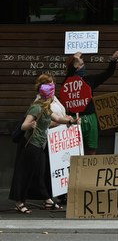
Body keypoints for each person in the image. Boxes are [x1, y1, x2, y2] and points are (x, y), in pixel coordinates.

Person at [9, 77, 77, 213]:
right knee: (25, 174)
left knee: (40, 173)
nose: (53, 97)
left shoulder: (46, 108)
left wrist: (72, 121)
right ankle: (19, 202)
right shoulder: (36, 108)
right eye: (52, 94)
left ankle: (46, 199)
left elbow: (57, 118)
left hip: (40, 145)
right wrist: (31, 124)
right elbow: (23, 126)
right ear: (48, 96)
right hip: (30, 145)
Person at [64, 49, 118, 154]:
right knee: (73, 150)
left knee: (91, 148)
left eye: (83, 64)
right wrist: (75, 59)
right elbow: (70, 71)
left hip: (90, 117)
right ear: (75, 66)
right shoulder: (68, 81)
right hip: (74, 118)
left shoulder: (89, 80)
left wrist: (113, 59)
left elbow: (108, 73)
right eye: (80, 65)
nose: (83, 67)